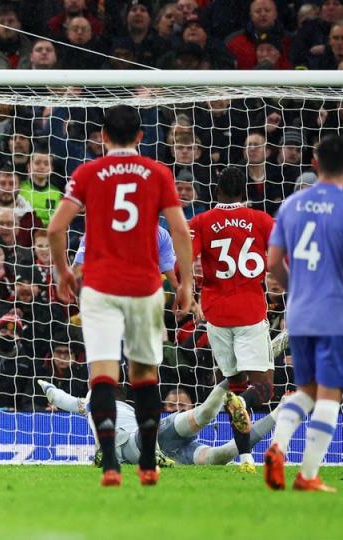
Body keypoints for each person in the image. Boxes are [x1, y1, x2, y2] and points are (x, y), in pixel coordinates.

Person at [47, 105, 194, 487]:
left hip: (99, 288)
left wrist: (64, 272)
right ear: (142, 137)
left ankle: (110, 461)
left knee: (103, 376)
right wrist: (185, 284)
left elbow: (55, 228)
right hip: (144, 289)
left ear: (103, 137)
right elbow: (179, 230)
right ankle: (147, 460)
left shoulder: (87, 172)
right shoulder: (158, 173)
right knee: (145, 375)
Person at [265, 134, 343, 492]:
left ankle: (278, 447)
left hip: (299, 312)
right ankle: (308, 475)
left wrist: (296, 287)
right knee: (330, 395)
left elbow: (272, 262)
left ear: (315, 163)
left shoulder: (292, 205)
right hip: (333, 314)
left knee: (306, 391)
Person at [189, 166, 275, 472]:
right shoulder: (262, 220)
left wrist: (188, 290)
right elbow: (280, 256)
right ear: (245, 192)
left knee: (236, 386)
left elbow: (184, 257)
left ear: (217, 191)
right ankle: (245, 411)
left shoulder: (200, 221)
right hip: (250, 311)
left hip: (216, 315)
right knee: (263, 389)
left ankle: (246, 459)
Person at [37, 379, 282, 467]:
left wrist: (44, 386)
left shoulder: (94, 401)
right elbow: (61, 398)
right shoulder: (110, 406)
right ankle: (279, 411)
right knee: (222, 455)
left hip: (148, 441)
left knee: (205, 414)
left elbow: (60, 398)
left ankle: (233, 378)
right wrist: (47, 388)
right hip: (159, 445)